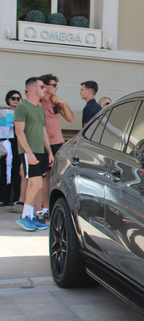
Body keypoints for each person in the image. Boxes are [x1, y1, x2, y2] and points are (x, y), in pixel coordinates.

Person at [14, 77, 52, 231]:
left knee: (33, 185)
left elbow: (44, 133)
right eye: (42, 87)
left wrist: (50, 152)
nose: (45, 89)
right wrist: (29, 153)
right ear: (32, 89)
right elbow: (19, 132)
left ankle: (30, 217)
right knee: (37, 184)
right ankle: (24, 217)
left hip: (40, 151)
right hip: (29, 152)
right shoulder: (22, 107)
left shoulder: (40, 109)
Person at [38, 73, 74, 221]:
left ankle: (50, 207)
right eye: (54, 85)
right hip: (44, 144)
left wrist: (63, 103)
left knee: (53, 176)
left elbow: (71, 119)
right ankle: (42, 209)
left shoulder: (56, 102)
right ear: (45, 86)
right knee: (43, 178)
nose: (56, 88)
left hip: (58, 143)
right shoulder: (39, 103)